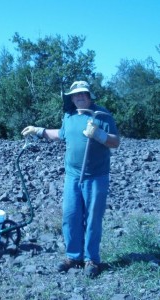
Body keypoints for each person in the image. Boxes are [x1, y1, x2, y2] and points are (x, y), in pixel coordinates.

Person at [21, 81, 120, 277]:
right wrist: (38, 130)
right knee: (71, 216)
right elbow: (61, 134)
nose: (79, 97)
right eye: (75, 95)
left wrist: (99, 134)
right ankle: (73, 256)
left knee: (93, 219)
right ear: (71, 98)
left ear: (89, 95)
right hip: (73, 176)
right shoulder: (70, 115)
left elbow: (115, 142)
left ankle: (91, 259)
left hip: (96, 177)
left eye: (82, 93)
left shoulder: (103, 115)